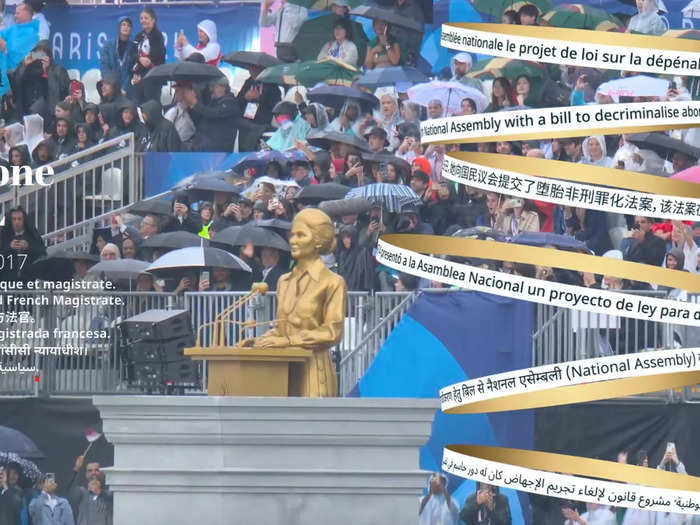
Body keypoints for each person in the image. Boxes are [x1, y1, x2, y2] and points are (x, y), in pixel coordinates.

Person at [240, 208, 345, 397]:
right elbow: (283, 327)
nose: (293, 241)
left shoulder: (333, 282)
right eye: (292, 235)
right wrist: (258, 341)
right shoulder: (284, 281)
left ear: (318, 241)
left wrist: (288, 341)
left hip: (314, 371)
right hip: (283, 371)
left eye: (301, 235)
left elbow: (332, 332)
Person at [11, 42, 70, 124]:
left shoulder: (58, 70)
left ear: (49, 57)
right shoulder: (28, 70)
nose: (39, 58)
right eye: (37, 55)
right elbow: (15, 84)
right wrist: (24, 65)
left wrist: (46, 70)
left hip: (49, 114)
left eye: (42, 55)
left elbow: (57, 93)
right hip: (26, 113)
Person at [184, 77, 239, 152]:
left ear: (223, 88)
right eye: (211, 87)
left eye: (214, 87)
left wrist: (195, 103)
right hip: (203, 142)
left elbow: (213, 113)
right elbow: (201, 117)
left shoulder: (230, 103)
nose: (211, 90)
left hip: (218, 147)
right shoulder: (213, 101)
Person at [236, 63, 281, 152]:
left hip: (261, 122)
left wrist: (260, 98)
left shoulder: (271, 85)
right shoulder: (248, 82)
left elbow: (276, 104)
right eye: (250, 69)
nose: (251, 72)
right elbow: (238, 101)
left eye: (254, 69)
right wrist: (246, 97)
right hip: (246, 121)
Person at [0, 206, 46, 281]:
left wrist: (28, 246)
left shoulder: (32, 235)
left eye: (19, 219)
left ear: (24, 220)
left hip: (28, 280)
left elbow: (42, 252)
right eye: (14, 219)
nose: (16, 222)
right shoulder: (3, 236)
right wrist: (9, 246)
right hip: (6, 280)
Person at [131, 7, 166, 103]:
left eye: (146, 18)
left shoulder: (157, 36)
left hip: (153, 80)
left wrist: (144, 61)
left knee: (151, 110)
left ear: (153, 20)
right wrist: (139, 59)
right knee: (139, 109)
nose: (143, 21)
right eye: (141, 18)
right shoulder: (138, 36)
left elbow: (157, 58)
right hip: (139, 79)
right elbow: (132, 53)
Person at [99, 17, 136, 99]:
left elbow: (132, 71)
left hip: (127, 90)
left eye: (128, 25)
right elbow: (104, 67)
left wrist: (124, 88)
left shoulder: (134, 47)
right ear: (119, 27)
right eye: (123, 24)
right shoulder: (108, 45)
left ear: (131, 29)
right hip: (110, 88)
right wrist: (111, 86)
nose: (126, 27)